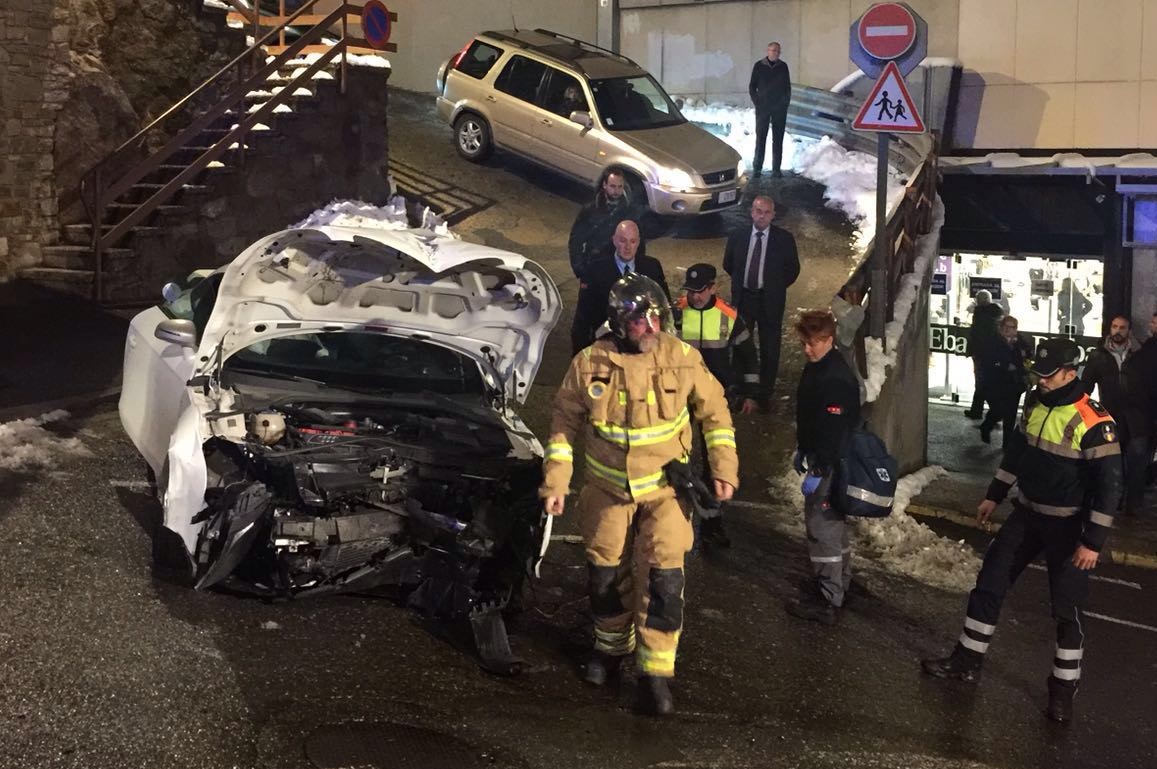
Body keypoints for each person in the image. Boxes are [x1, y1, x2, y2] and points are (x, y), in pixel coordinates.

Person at [540, 272, 739, 716]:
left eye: (655, 319)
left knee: (664, 579)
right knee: (605, 574)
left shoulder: (682, 358)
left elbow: (716, 414)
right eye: (639, 322)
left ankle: (656, 672)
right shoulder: (589, 363)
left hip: (667, 492)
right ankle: (610, 650)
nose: (650, 329)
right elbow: (562, 425)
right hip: (606, 492)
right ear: (618, 322)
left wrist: (725, 469)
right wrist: (556, 482)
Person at [921, 337, 1124, 725]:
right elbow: (1018, 450)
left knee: (1067, 611)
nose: (1042, 380)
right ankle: (965, 662)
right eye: (1039, 373)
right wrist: (994, 494)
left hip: (1068, 527)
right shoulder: (1034, 402)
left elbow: (1110, 488)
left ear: (1071, 373)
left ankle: (1061, 693)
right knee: (989, 585)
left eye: (1049, 375)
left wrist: (1092, 542)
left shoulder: (1096, 422)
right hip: (1028, 515)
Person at [673, 263, 760, 549]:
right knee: (675, 458)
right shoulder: (676, 312)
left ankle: (712, 523)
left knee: (713, 463)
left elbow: (748, 355)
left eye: (700, 291)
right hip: (680, 399)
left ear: (713, 288)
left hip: (713, 401)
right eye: (691, 291)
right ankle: (672, 521)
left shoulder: (729, 317)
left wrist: (750, 393)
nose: (694, 296)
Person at [786, 310, 861, 625]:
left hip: (830, 463)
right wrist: (804, 447)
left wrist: (818, 471)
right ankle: (839, 582)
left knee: (823, 527)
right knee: (832, 526)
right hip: (822, 457)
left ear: (829, 340)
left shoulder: (835, 378)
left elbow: (834, 430)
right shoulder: (820, 367)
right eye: (804, 342)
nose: (807, 349)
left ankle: (829, 597)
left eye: (813, 343)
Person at [722, 195, 800, 411]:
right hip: (745, 297)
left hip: (769, 299)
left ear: (773, 215)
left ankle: (764, 392)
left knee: (769, 346)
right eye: (758, 211)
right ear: (751, 212)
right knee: (740, 343)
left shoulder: (784, 239)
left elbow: (792, 270)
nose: (762, 216)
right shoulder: (738, 236)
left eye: (766, 212)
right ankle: (740, 388)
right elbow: (729, 263)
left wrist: (774, 286)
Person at [1082, 315, 1151, 516]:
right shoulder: (1099, 356)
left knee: (1137, 465)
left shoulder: (1141, 354)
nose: (1118, 331)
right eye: (1114, 327)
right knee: (1113, 465)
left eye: (1122, 327)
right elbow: (1086, 385)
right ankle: (1115, 502)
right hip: (1111, 418)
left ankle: (1133, 505)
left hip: (1138, 419)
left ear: (1129, 330)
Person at [572, 220, 669, 354]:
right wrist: (580, 353)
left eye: (633, 241)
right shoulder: (595, 270)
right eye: (623, 241)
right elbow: (583, 316)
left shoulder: (652, 267)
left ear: (639, 242)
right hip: (609, 346)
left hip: (645, 347)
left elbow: (664, 309)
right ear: (614, 240)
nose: (628, 247)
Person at [978, 315, 1030, 447]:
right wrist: (1004, 365)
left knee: (1011, 413)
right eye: (1006, 327)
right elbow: (987, 360)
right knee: (999, 409)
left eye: (1012, 327)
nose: (1009, 330)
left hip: (1014, 383)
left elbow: (1028, 353)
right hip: (997, 381)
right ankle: (986, 426)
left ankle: (1007, 443)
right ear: (1000, 328)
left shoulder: (1019, 341)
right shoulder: (993, 341)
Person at [748, 42, 791, 178]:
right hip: (763, 109)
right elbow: (752, 86)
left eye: (778, 51)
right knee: (761, 138)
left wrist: (784, 103)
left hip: (779, 109)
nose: (775, 53)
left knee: (778, 139)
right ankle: (757, 168)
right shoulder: (759, 66)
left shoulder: (783, 67)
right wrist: (757, 102)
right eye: (773, 51)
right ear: (768, 51)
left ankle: (776, 169)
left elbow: (787, 88)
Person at [965, 289, 1003, 419]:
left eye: (977, 299)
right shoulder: (997, 313)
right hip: (992, 353)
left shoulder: (980, 314)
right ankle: (979, 410)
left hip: (981, 354)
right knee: (984, 383)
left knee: (982, 383)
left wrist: (971, 351)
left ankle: (993, 410)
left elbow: (976, 335)